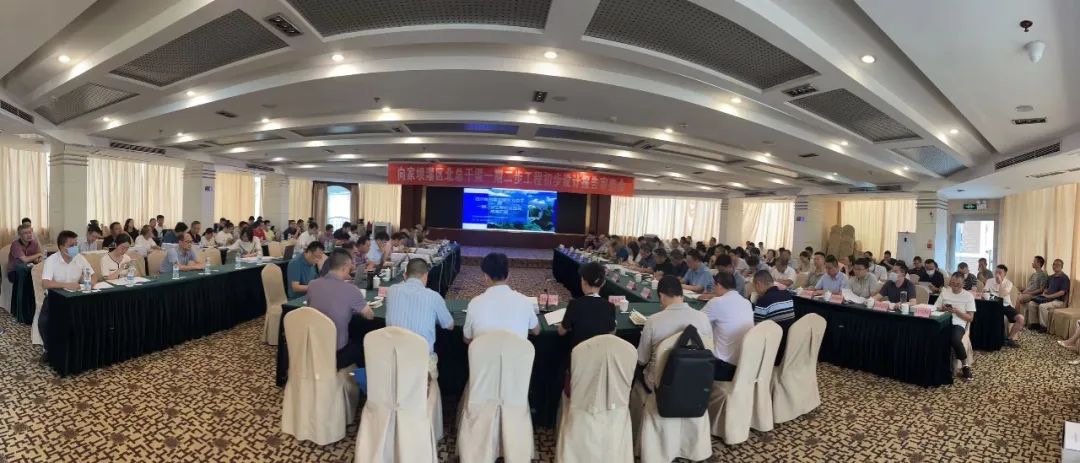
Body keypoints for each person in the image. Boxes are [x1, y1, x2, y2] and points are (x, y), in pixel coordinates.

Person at [635, 275, 713, 382]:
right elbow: (710, 350)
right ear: (682, 294)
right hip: (696, 379)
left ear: (661, 296)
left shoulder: (653, 321)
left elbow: (641, 360)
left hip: (659, 383)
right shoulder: (703, 318)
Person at [306, 249, 375, 369]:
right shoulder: (351, 289)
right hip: (337, 351)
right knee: (362, 342)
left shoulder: (312, 285)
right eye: (350, 267)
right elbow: (370, 316)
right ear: (344, 268)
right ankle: (356, 379)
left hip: (314, 344)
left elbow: (310, 308)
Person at [386, 258, 453, 370]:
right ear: (426, 275)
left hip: (394, 358)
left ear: (405, 275)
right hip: (421, 362)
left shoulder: (392, 291)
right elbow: (449, 325)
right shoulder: (433, 296)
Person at [463, 253, 539, 342]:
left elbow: (467, 339)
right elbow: (536, 331)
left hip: (484, 351)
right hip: (516, 351)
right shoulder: (524, 301)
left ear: (486, 277)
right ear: (508, 275)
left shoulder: (474, 303)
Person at [40, 230, 98, 346]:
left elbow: (93, 275)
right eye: (71, 245)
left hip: (76, 296)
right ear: (62, 247)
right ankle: (48, 348)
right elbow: (45, 283)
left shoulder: (79, 258)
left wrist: (91, 283)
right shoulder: (51, 260)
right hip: (55, 297)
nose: (75, 248)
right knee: (44, 322)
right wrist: (66, 285)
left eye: (76, 244)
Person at [702, 271, 753, 381]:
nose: (713, 289)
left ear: (719, 285)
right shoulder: (746, 303)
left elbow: (697, 321)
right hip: (743, 365)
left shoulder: (717, 302)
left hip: (722, 366)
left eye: (714, 286)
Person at [558, 262, 617, 349]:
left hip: (579, 354)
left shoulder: (574, 304)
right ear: (603, 283)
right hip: (599, 353)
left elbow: (561, 332)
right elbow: (612, 333)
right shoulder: (610, 306)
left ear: (583, 282)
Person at [934, 273, 976, 381]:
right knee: (932, 335)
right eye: (952, 283)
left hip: (959, 323)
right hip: (943, 321)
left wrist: (957, 312)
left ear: (963, 284)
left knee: (955, 340)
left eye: (958, 284)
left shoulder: (968, 296)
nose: (955, 286)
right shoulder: (945, 292)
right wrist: (943, 308)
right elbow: (936, 308)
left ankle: (965, 366)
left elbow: (970, 318)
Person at [984, 264, 1022, 347]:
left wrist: (1000, 282)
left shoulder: (1008, 283)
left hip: (1006, 305)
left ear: (1005, 274)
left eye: (1000, 273)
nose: (997, 274)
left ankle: (1009, 339)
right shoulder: (989, 281)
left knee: (1020, 319)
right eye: (996, 272)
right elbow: (985, 295)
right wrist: (995, 299)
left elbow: (1001, 295)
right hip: (992, 305)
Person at [1027, 258, 1070, 330]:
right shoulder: (1051, 277)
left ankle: (1044, 326)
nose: (1055, 266)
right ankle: (1034, 323)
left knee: (1042, 306)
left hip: (1058, 301)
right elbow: (1046, 288)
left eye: (1058, 265)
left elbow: (1062, 292)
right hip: (1047, 298)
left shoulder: (1064, 278)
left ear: (1062, 267)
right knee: (1032, 303)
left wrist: (1049, 296)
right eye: (1054, 264)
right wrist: (1045, 293)